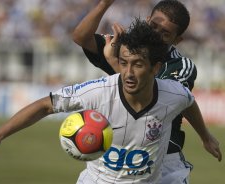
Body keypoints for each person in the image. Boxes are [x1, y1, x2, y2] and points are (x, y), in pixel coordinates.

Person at [0, 19, 221, 184]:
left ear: (155, 68)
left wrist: (205, 136)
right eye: (124, 63)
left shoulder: (173, 93)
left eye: (138, 64)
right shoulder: (98, 91)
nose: (128, 72)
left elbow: (188, 102)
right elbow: (46, 105)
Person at [72, 0, 200, 183]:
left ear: (177, 40)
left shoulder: (180, 66)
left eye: (165, 33)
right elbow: (81, 37)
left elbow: (159, 97)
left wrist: (115, 63)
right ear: (147, 20)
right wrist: (104, 5)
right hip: (120, 155)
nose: (156, 34)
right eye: (154, 26)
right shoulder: (124, 47)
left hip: (164, 160)